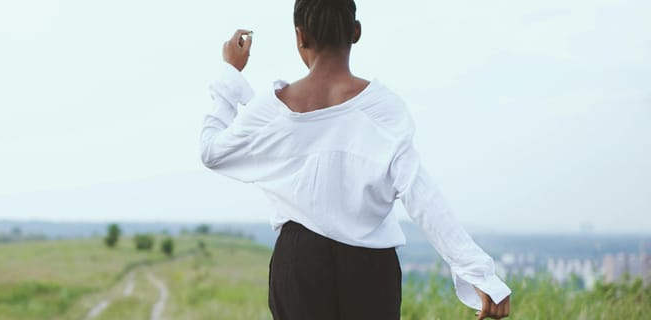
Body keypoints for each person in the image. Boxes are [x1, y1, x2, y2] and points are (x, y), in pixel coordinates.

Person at [198, 0, 512, 319]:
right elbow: (421, 194)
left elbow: (212, 151)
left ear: (300, 36)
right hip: (369, 266)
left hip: (299, 263)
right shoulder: (383, 108)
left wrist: (230, 73)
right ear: (356, 32)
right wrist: (479, 273)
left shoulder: (272, 107)